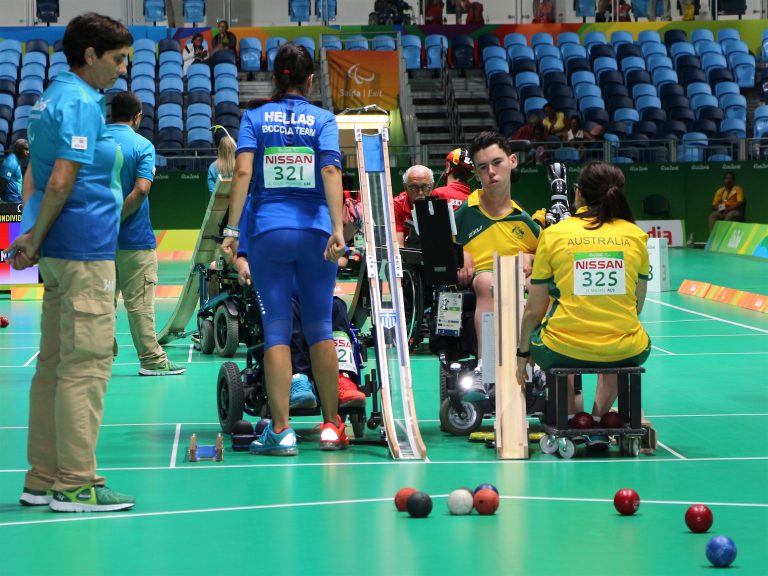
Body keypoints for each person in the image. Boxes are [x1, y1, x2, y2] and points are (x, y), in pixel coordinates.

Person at [7, 12, 135, 513]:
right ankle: (77, 484)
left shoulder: (46, 101)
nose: (123, 69)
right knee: (86, 367)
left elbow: (34, 177)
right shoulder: (81, 102)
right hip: (83, 252)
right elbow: (60, 180)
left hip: (57, 252)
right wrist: (34, 233)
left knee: (55, 368)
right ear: (90, 56)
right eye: (118, 59)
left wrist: (31, 236)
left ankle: (41, 479)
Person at [220, 42, 348, 456]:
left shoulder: (254, 117)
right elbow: (330, 169)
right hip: (316, 234)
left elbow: (242, 171)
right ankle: (332, 426)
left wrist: (232, 229)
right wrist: (338, 229)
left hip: (267, 233)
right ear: (310, 80)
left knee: (276, 327)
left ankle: (282, 431)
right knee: (319, 328)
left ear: (277, 79)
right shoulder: (324, 119)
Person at [516, 161, 650, 427]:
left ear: (578, 193)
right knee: (619, 340)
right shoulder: (637, 236)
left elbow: (534, 310)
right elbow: (637, 305)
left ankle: (572, 419)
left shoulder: (554, 235)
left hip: (561, 348)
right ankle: (600, 418)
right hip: (625, 348)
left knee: (549, 340)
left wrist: (522, 355)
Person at [454, 131, 541, 394]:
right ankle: (486, 367)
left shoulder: (523, 220)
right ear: (477, 173)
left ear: (512, 161)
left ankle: (533, 366)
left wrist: (530, 257)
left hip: (519, 284)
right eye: (482, 167)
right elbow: (444, 251)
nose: (491, 172)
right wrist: (461, 255)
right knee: (487, 281)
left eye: (497, 163)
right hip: (482, 282)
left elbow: (550, 256)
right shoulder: (464, 214)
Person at [107, 91, 186, 377]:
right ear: (137, 116)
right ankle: (151, 361)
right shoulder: (142, 145)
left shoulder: (94, 143)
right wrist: (115, 220)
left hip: (97, 243)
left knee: (100, 304)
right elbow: (141, 189)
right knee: (139, 304)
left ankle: (99, 358)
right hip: (134, 240)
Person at [393, 164, 434, 246]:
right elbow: (399, 248)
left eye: (425, 187)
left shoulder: (439, 204)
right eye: (414, 187)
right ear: (405, 187)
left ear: (432, 186)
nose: (420, 193)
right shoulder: (396, 206)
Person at [0, 138, 29, 204]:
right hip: (10, 201)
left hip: (15, 199)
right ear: (18, 149)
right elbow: (2, 181)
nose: (28, 152)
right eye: (26, 149)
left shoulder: (16, 160)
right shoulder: (11, 162)